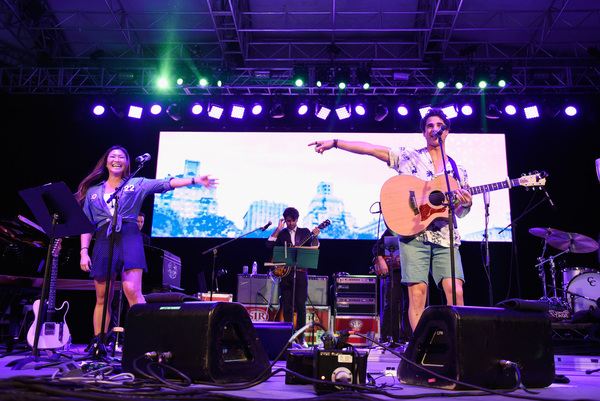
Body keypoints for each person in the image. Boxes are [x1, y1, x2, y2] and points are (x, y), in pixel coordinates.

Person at [310, 108, 472, 331]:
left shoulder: (457, 170)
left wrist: (466, 203)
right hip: (414, 235)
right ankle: (419, 347)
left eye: (439, 126)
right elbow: (370, 149)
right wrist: (336, 142)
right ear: (424, 133)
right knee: (417, 294)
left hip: (446, 238)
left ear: (447, 132)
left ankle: (456, 344)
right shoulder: (409, 156)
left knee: (456, 290)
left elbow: (461, 211)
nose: (435, 129)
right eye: (430, 126)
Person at [75, 145, 218, 341]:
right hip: (103, 239)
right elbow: (86, 225)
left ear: (126, 163)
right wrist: (84, 251)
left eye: (121, 157)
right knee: (102, 297)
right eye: (113, 156)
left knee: (132, 291)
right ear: (106, 162)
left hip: (129, 236)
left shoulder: (137, 184)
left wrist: (194, 180)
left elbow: (166, 183)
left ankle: (146, 341)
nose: (117, 159)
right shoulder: (93, 192)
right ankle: (98, 342)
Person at [266, 207, 320, 346]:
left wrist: (315, 237)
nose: (290, 223)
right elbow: (269, 245)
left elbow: (314, 247)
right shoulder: (282, 233)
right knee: (287, 306)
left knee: (301, 306)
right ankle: (289, 338)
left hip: (301, 274)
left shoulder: (305, 232)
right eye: (288, 221)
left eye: (293, 220)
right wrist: (278, 229)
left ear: (297, 219)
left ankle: (301, 338)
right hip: (285, 275)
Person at [372, 230, 411, 347]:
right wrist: (380, 259)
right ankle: (386, 338)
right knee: (391, 303)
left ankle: (406, 338)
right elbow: (377, 247)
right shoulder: (393, 228)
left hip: (411, 270)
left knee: (410, 304)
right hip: (395, 271)